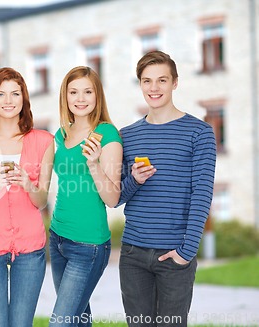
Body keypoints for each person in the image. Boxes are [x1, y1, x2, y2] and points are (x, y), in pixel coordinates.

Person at [117, 50, 217, 326]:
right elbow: (116, 199)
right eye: (147, 81)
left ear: (175, 82)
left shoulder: (199, 132)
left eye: (162, 80)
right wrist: (135, 180)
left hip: (174, 255)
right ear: (140, 84)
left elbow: (202, 194)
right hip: (133, 254)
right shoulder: (128, 135)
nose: (154, 88)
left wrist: (186, 251)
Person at [0, 67, 54, 327]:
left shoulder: (43, 141)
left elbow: (41, 201)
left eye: (15, 94)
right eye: (1, 94)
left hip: (30, 248)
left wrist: (28, 183)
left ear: (24, 99)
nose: (8, 101)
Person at [49, 66, 123, 327]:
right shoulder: (61, 134)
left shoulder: (107, 134)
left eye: (87, 91)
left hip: (88, 245)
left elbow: (113, 198)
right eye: (73, 92)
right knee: (79, 320)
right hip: (57, 238)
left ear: (97, 96)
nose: (80, 98)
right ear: (65, 97)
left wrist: (93, 164)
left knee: (60, 322)